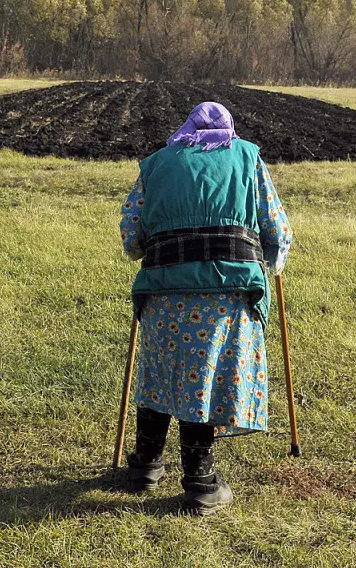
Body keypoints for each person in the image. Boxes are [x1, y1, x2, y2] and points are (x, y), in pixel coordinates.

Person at [119, 101, 293, 516]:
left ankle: (145, 465)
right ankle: (200, 481)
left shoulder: (157, 163)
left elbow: (131, 235)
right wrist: (274, 257)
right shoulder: (248, 158)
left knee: (161, 370)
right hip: (228, 294)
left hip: (164, 291)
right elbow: (278, 229)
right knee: (204, 379)